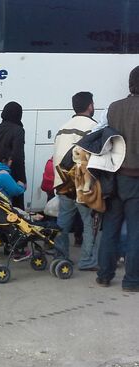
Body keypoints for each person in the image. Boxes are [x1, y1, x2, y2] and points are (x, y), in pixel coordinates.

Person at [97, 66, 139, 291]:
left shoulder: (114, 107)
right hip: (136, 180)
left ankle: (104, 275)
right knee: (136, 231)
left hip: (113, 179)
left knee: (110, 228)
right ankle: (132, 281)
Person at [53, 92, 99, 271]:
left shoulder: (62, 128)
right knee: (89, 221)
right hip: (82, 182)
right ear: (90, 106)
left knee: (63, 221)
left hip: (63, 181)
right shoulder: (94, 127)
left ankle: (60, 255)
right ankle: (87, 261)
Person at [0, 101, 26, 209]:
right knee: (16, 207)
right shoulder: (18, 130)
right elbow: (18, 156)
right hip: (13, 173)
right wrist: (22, 179)